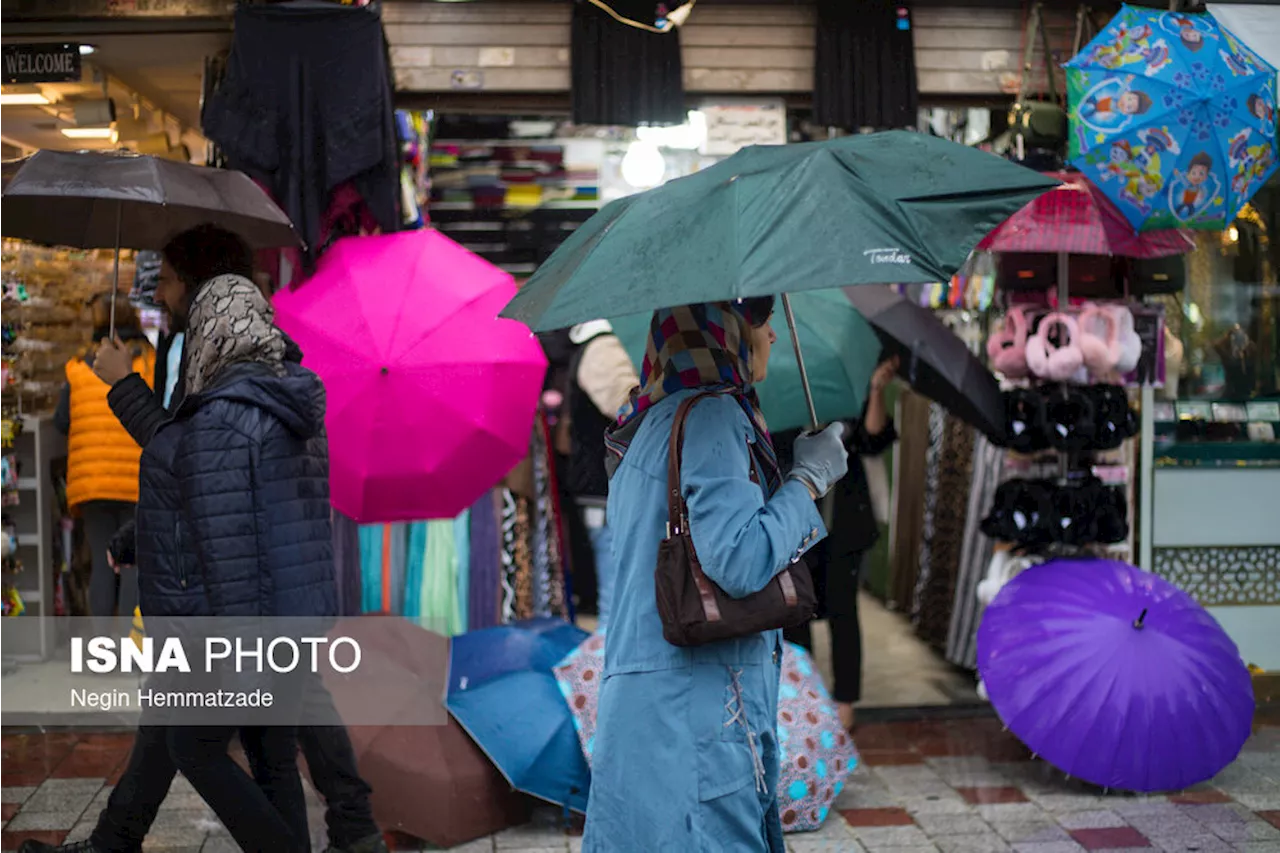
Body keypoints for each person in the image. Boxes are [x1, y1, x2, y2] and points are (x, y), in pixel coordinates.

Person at [20, 225, 384, 853]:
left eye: (163, 280)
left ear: (205, 302)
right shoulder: (276, 391)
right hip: (280, 613)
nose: (158, 295)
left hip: (240, 619)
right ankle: (118, 838)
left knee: (196, 743)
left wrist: (124, 388)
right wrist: (143, 533)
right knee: (264, 751)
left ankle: (346, 828)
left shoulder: (230, 403)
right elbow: (214, 493)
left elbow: (199, 482)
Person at [584, 299, 848, 852]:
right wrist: (807, 481)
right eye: (759, 320)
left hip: (653, 707)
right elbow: (740, 561)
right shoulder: (713, 415)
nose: (772, 335)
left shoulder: (645, 425)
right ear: (722, 332)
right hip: (698, 713)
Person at [776, 355, 901, 733]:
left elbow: (874, 439)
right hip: (796, 524)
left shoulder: (843, 391)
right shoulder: (779, 395)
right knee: (796, 614)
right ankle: (803, 698)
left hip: (845, 522)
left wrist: (876, 389)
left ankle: (845, 702)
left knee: (844, 613)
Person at [54, 294, 155, 631]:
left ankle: (101, 649)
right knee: (131, 563)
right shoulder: (147, 361)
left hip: (92, 482)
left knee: (101, 560)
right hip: (134, 480)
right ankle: (129, 647)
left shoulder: (78, 367)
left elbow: (61, 421)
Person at [564, 319, 639, 627]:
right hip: (604, 488)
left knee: (616, 591)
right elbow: (625, 405)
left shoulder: (592, 346)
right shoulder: (601, 348)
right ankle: (610, 669)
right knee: (617, 594)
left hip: (602, 486)